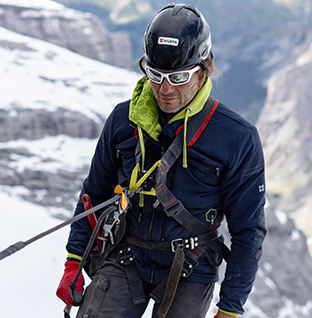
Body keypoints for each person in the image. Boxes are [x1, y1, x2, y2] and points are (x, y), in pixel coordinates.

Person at [56, 3, 266, 318]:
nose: (165, 89)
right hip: (126, 253)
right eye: (155, 74)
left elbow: (248, 229)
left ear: (204, 69)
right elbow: (94, 194)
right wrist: (74, 260)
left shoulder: (236, 137)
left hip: (191, 265)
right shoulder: (123, 120)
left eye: (179, 77)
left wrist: (230, 308)